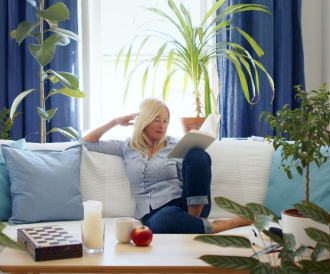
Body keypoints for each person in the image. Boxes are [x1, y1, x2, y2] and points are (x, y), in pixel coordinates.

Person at [80, 98, 252, 234]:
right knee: (167, 217)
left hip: (189, 205)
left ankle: (192, 220)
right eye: (157, 120)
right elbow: (86, 142)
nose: (162, 125)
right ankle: (222, 225)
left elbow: (196, 170)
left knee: (198, 154)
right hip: (155, 215)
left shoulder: (175, 145)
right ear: (144, 121)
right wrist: (116, 121)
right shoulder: (126, 147)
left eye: (166, 121)